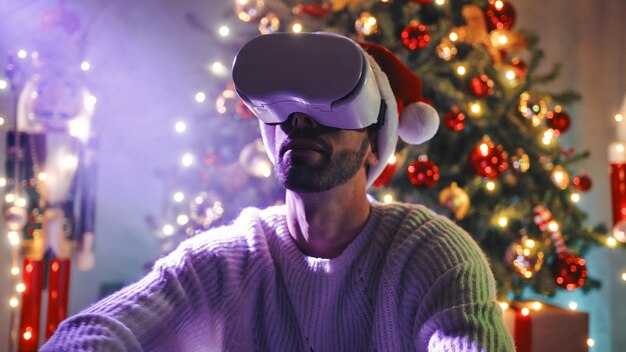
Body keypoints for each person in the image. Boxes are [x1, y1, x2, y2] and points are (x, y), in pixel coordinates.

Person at [42, 32, 515, 351]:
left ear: (375, 146)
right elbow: (89, 332)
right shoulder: (230, 261)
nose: (300, 120)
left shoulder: (430, 255)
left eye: (329, 108)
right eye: (285, 111)